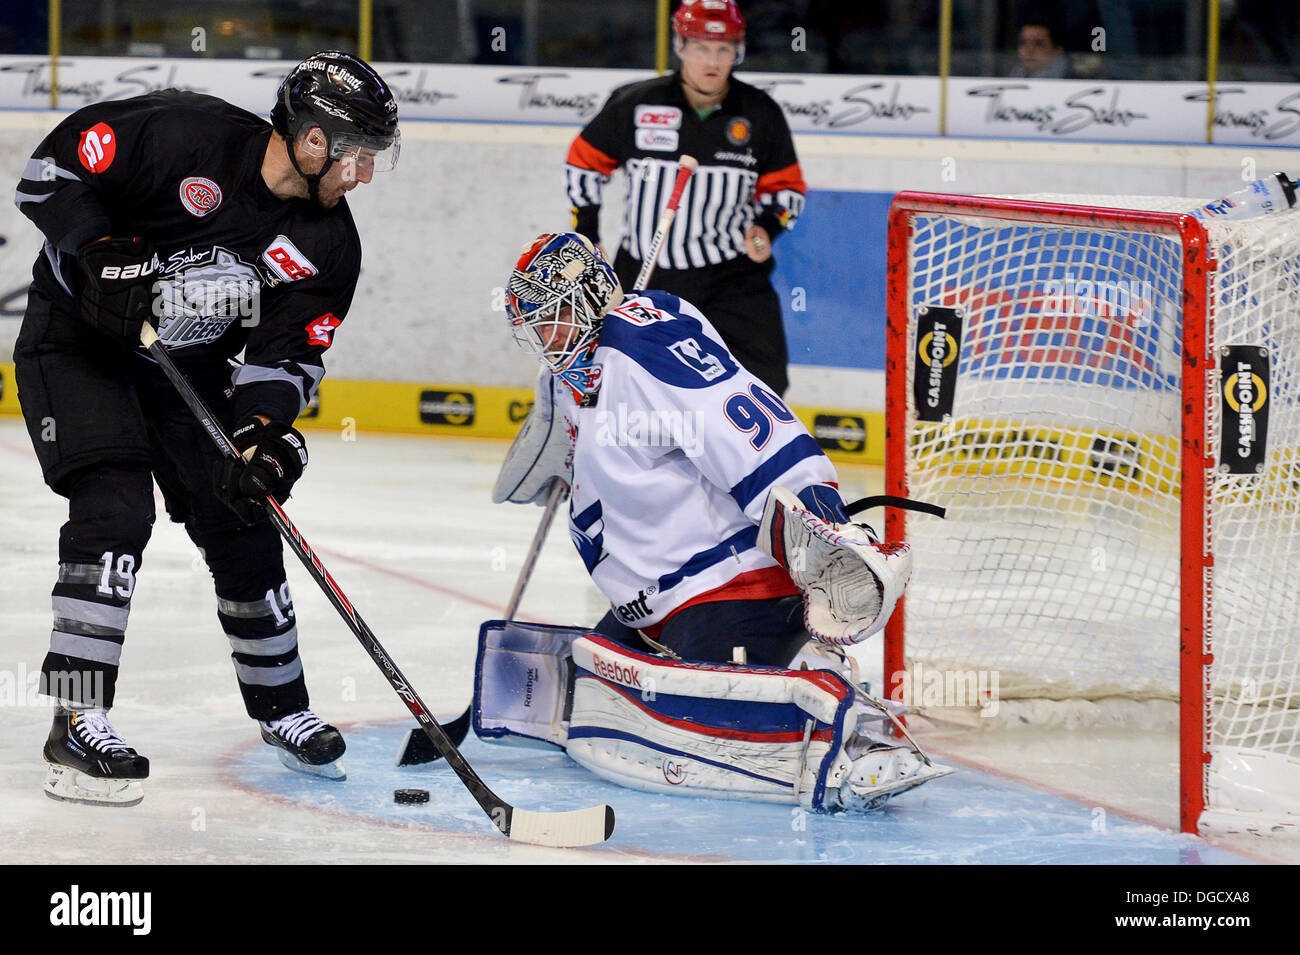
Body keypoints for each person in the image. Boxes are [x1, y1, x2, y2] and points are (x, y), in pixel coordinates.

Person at [13, 51, 400, 806]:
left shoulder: (328, 245)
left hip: (186, 370)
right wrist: (94, 252)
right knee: (113, 512)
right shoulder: (181, 134)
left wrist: (261, 433)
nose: (364, 175)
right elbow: (48, 174)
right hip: (77, 345)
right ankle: (74, 713)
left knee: (245, 518)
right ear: (312, 140)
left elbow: (288, 355)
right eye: (356, 155)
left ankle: (282, 708)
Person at [482, 232, 950, 813]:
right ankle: (776, 668)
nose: (541, 335)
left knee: (703, 721)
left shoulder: (644, 343)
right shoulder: (574, 372)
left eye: (548, 315)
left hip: (726, 586)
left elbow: (742, 421)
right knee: (587, 688)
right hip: (658, 599)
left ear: (585, 299)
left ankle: (845, 718)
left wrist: (820, 517)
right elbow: (554, 450)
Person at [564, 0, 805, 396]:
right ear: (681, 47)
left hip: (731, 276)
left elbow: (787, 189)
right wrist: (588, 233)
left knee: (766, 380)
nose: (712, 60)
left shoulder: (759, 113)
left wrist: (767, 229)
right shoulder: (635, 103)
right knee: (622, 381)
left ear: (737, 51)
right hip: (646, 271)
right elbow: (583, 163)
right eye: (701, 48)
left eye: (723, 49)